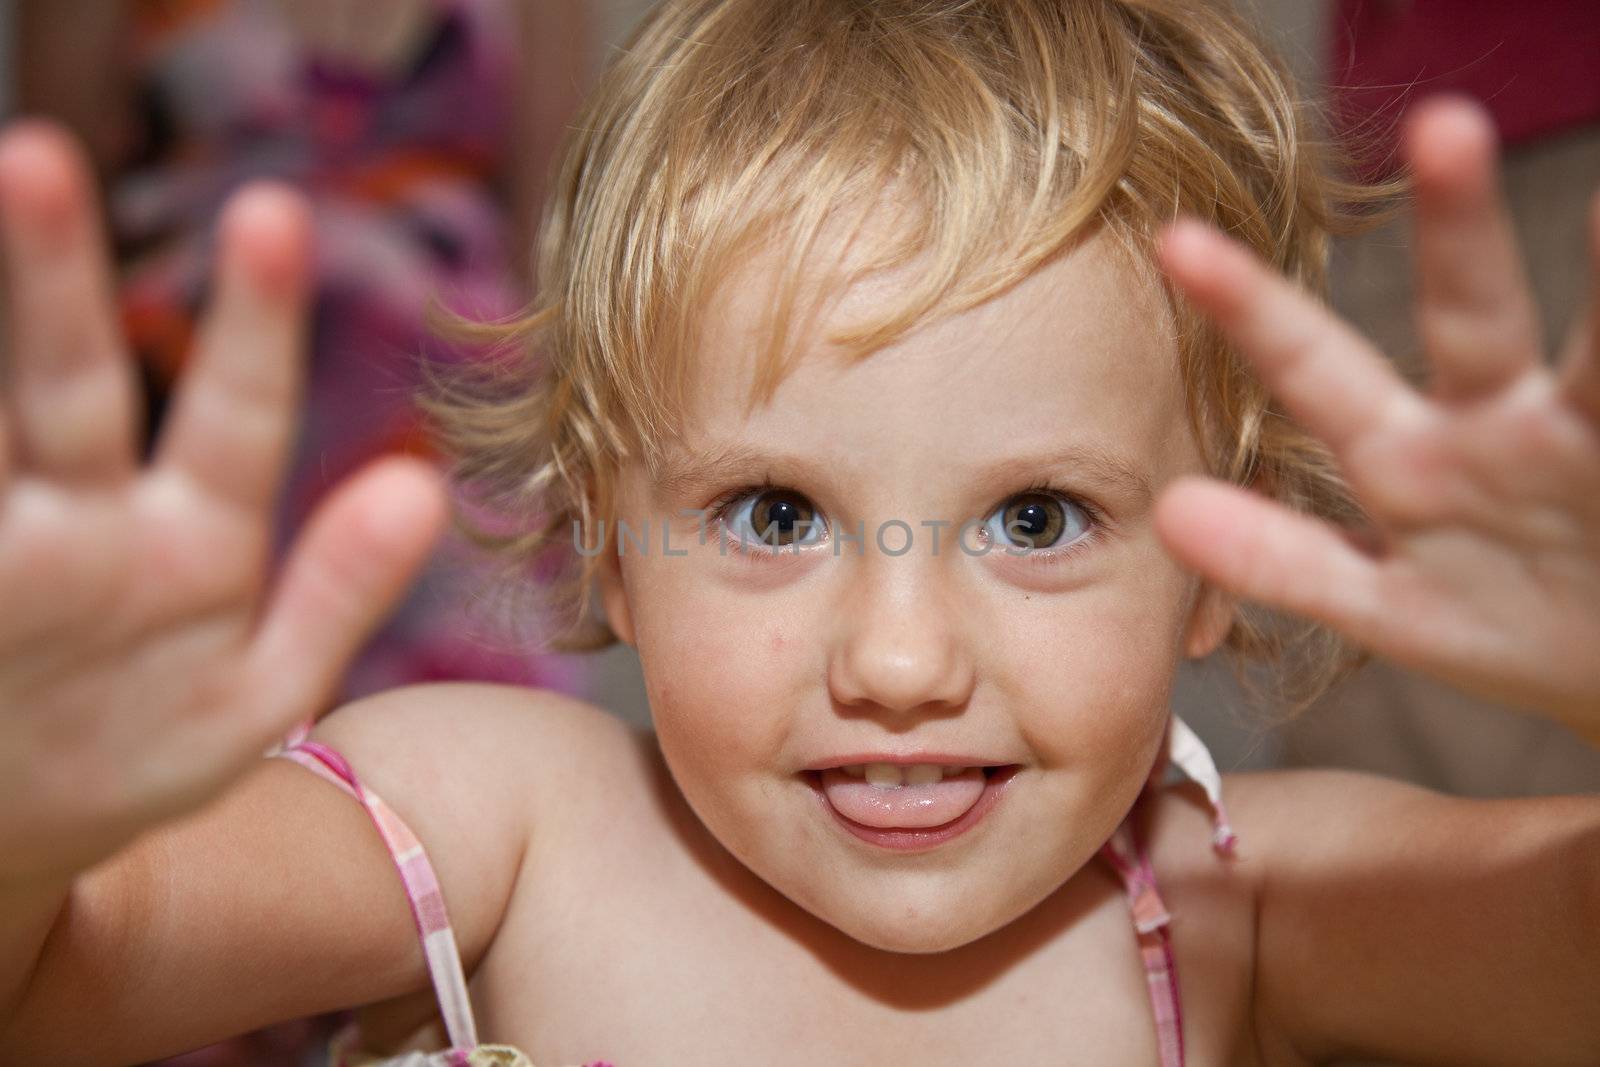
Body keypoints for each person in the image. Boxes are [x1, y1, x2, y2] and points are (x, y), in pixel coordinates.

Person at [2, 2, 1598, 1065]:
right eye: (774, 513)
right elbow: (62, 976)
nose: (900, 662)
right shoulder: (495, 822)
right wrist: (28, 819)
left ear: (1216, 554)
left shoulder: (1234, 896)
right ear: (603, 534)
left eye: (1036, 518)